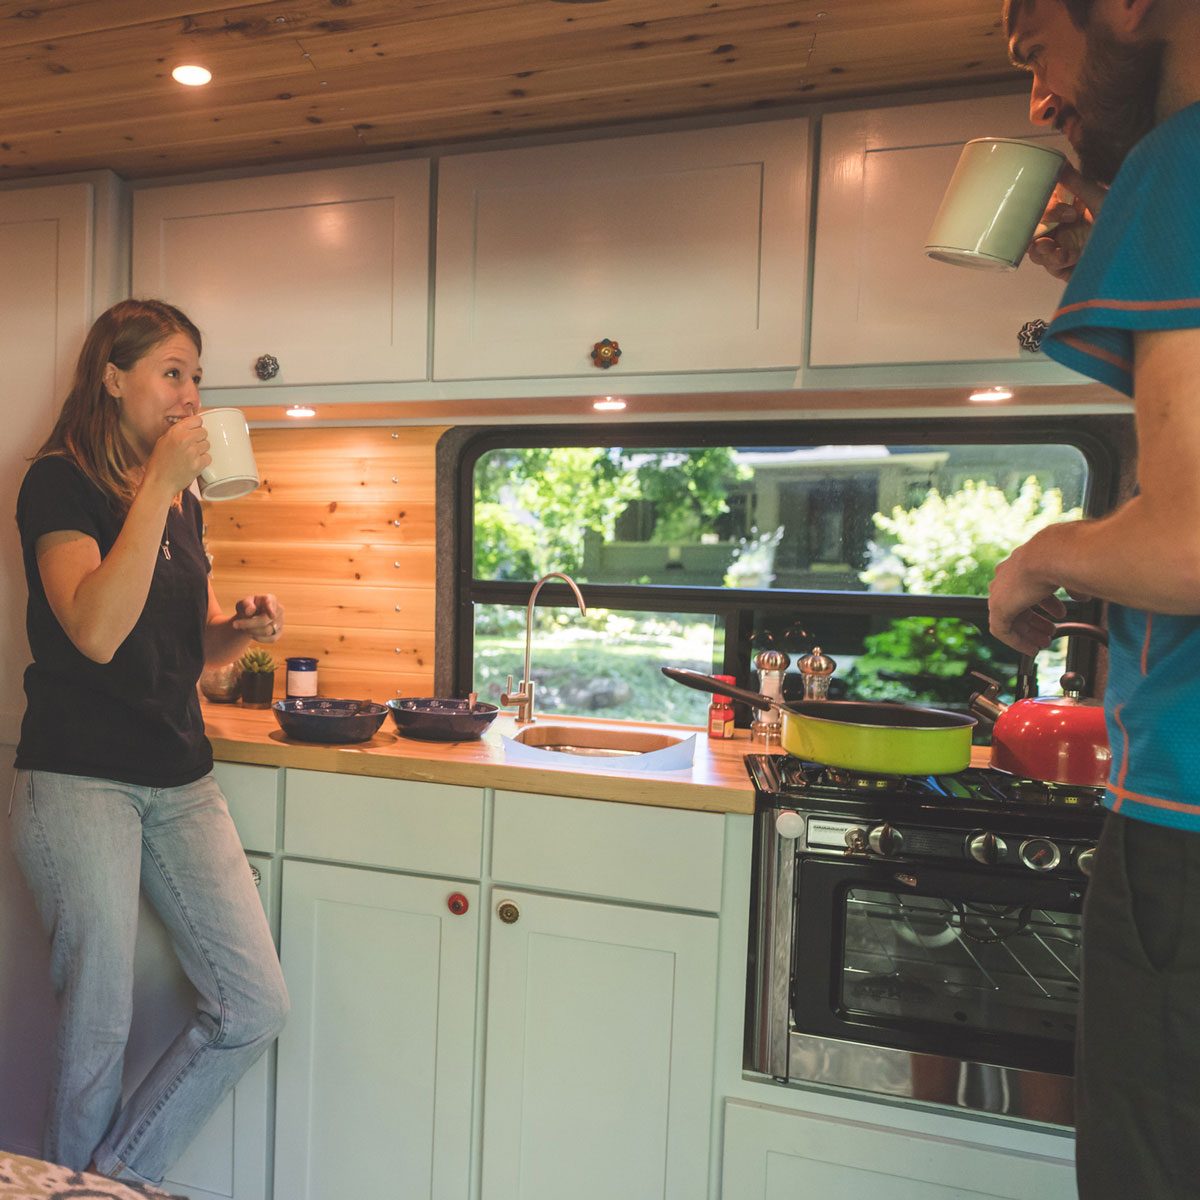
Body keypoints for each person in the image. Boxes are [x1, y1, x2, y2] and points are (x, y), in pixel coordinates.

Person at [8, 299, 290, 1190]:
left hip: (180, 776)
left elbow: (186, 648)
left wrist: (238, 632)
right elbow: (93, 627)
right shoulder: (57, 484)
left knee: (253, 1005)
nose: (189, 394)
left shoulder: (180, 502)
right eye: (173, 372)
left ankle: (110, 1179)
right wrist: (163, 486)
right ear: (113, 377)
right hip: (79, 778)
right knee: (98, 1023)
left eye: (196, 377)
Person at [990, 1, 1200, 1196]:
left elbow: (1190, 542)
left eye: (1035, 51)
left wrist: (1045, 554)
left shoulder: (1186, 158)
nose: (1038, 100)